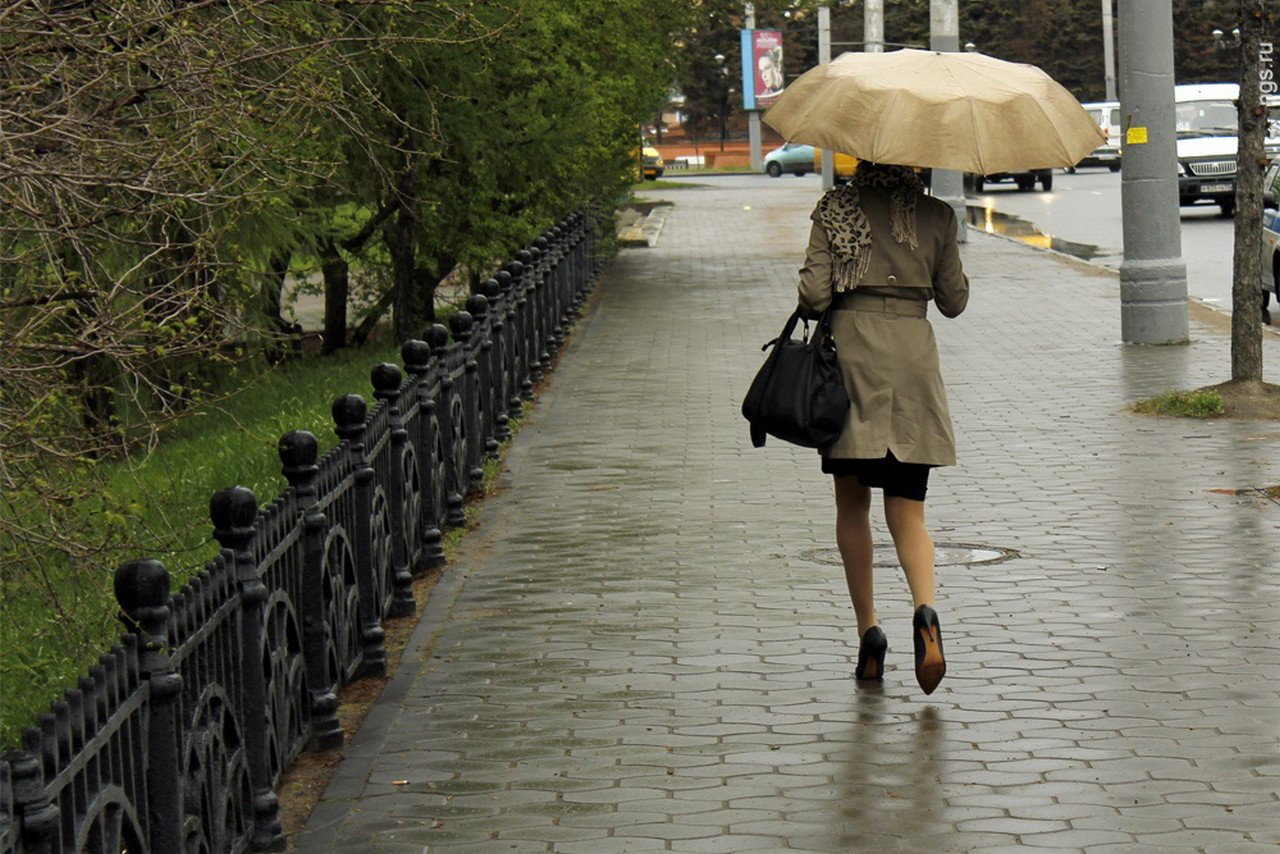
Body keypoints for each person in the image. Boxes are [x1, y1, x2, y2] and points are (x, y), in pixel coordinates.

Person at [796, 160, 968, 695]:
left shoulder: (836, 208)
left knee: (852, 504)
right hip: (913, 362)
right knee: (908, 508)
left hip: (852, 367)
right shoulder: (936, 214)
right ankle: (925, 611)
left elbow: (813, 296)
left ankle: (868, 632)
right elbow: (954, 302)